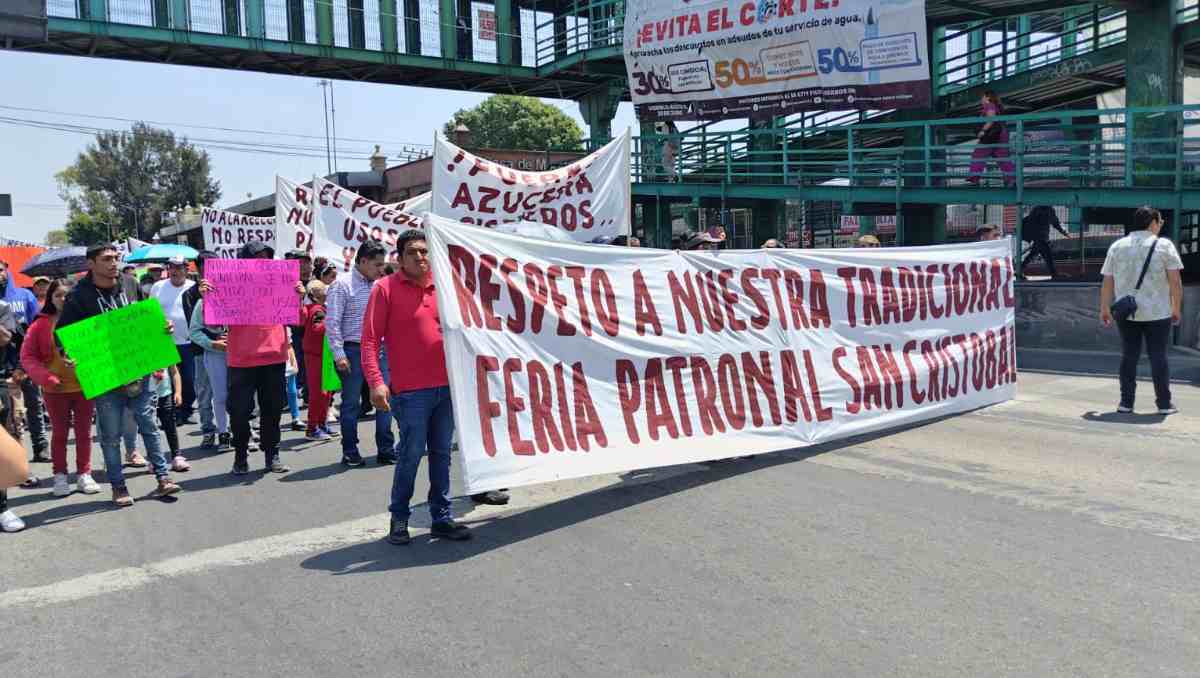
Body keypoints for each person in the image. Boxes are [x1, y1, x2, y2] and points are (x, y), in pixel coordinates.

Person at [363, 230, 471, 545]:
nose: (421, 257)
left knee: (441, 454)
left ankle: (441, 517)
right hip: (410, 393)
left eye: (425, 251)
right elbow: (370, 339)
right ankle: (399, 518)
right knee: (410, 454)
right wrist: (376, 382)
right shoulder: (384, 289)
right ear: (399, 257)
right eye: (413, 252)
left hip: (447, 387)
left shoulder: (445, 285)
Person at [57, 244, 181, 507]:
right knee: (111, 435)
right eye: (106, 259)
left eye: (115, 258)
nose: (114, 263)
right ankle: (118, 485)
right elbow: (63, 335)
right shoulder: (78, 296)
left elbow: (146, 317)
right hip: (105, 376)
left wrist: (162, 327)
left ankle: (163, 478)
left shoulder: (130, 283)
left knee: (148, 425)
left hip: (139, 368)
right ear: (91, 264)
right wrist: (66, 353)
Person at [221, 240, 303, 476]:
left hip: (273, 356)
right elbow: (214, 321)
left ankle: (272, 454)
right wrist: (208, 295)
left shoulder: (281, 284)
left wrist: (298, 296)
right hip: (241, 359)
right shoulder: (229, 285)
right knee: (238, 411)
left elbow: (296, 320)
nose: (264, 263)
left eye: (267, 258)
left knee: (272, 409)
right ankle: (240, 456)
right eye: (258, 258)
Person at [1099, 206, 1183, 416]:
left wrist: (1104, 308)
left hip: (1126, 312)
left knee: (1129, 356)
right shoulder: (1164, 246)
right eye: (1160, 221)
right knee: (1158, 356)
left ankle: (1126, 403)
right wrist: (1176, 307)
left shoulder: (1117, 246)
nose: (1161, 225)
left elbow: (1108, 281)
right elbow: (1175, 281)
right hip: (1158, 312)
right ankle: (1164, 404)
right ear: (1153, 222)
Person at [20, 279, 100, 497]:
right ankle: (60, 476)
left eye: (67, 295)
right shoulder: (40, 324)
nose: (63, 300)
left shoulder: (86, 320)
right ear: (50, 298)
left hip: (84, 386)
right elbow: (27, 356)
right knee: (60, 434)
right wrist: (45, 377)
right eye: (58, 295)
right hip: (55, 390)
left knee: (84, 433)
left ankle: (84, 474)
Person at [326, 240, 396, 468]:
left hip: (381, 350)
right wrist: (339, 354)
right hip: (353, 351)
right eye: (376, 265)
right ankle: (350, 450)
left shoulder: (382, 285)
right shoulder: (342, 285)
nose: (380, 269)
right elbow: (333, 322)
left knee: (384, 400)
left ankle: (385, 449)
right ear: (363, 261)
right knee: (351, 404)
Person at [0, 259, 48, 465]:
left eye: (0, 270)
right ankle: (14, 459)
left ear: (7, 270)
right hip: (5, 366)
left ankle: (41, 448)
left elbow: (38, 326)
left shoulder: (25, 295)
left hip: (27, 360)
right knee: (11, 415)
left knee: (35, 405)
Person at [151, 256, 197, 425]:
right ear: (168, 269)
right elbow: (150, 313)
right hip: (165, 341)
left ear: (186, 269)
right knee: (165, 379)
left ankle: (187, 409)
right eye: (173, 267)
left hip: (189, 340)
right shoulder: (158, 287)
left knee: (189, 378)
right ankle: (170, 412)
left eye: (180, 267)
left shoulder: (194, 287)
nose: (176, 270)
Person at [188, 284, 233, 451]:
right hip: (216, 354)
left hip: (243, 352)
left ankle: (244, 431)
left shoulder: (244, 299)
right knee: (220, 395)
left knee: (243, 394)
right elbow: (194, 332)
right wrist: (212, 343)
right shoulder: (202, 303)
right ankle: (223, 433)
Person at [183, 251, 220, 449]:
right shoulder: (189, 295)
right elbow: (195, 327)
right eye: (206, 266)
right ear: (198, 269)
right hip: (202, 351)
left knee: (233, 392)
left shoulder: (228, 288)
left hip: (230, 350)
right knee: (205, 393)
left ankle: (239, 428)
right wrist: (202, 295)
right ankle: (208, 430)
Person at [301, 280, 337, 441]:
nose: (326, 291)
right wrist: (332, 321)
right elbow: (317, 330)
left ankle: (321, 424)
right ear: (316, 294)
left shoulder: (320, 309)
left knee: (326, 391)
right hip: (316, 355)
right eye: (323, 289)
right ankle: (312, 427)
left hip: (324, 354)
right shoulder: (317, 310)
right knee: (318, 393)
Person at [967, 90, 1015, 186]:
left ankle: (974, 178)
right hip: (1001, 134)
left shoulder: (989, 105)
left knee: (978, 155)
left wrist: (983, 131)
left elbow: (991, 119)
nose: (982, 99)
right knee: (1003, 157)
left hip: (991, 134)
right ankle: (1012, 178)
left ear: (988, 97)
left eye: (983, 97)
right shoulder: (997, 106)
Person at [286, 249, 313, 407]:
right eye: (300, 264)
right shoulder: (285, 287)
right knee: (295, 369)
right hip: (294, 335)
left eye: (307, 263)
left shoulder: (317, 284)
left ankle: (309, 396)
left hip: (314, 336)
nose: (305, 268)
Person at [150, 365, 188, 472]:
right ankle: (155, 460)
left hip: (165, 394)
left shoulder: (165, 349)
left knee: (170, 425)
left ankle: (177, 456)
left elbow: (174, 372)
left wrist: (178, 392)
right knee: (151, 429)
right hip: (146, 396)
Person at [1022, 206, 1070, 279]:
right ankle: (1054, 274)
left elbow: (1030, 222)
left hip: (1038, 237)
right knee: (1047, 255)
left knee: (1033, 254)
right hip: (1041, 238)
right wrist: (1063, 232)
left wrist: (1031, 237)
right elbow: (1055, 223)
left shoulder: (1036, 209)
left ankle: (1019, 271)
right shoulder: (1048, 210)